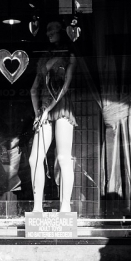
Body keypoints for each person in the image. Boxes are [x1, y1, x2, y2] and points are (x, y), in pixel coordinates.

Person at [29, 20, 77, 213]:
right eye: (47, 30)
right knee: (34, 159)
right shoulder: (43, 60)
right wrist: (38, 113)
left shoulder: (69, 56)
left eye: (53, 30)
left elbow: (65, 87)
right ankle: (37, 207)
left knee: (64, 157)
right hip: (44, 111)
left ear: (61, 32)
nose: (49, 33)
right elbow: (33, 89)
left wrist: (45, 110)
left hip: (61, 107)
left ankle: (65, 206)